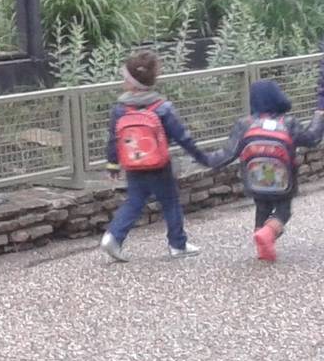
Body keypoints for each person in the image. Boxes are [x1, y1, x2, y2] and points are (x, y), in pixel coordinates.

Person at [100, 49, 209, 262]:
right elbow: (182, 136)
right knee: (170, 202)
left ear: (132, 83)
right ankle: (177, 244)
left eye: (125, 78)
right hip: (159, 164)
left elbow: (114, 138)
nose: (123, 81)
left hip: (133, 164)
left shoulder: (120, 110)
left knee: (134, 201)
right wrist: (200, 156)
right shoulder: (162, 107)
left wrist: (112, 164)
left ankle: (113, 236)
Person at [202, 77, 324, 261]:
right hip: (283, 182)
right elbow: (313, 138)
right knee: (283, 212)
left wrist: (203, 158)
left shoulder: (245, 124)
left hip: (255, 182)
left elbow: (228, 153)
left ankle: (262, 247)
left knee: (262, 207)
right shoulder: (288, 123)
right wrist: (319, 115)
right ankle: (266, 235)